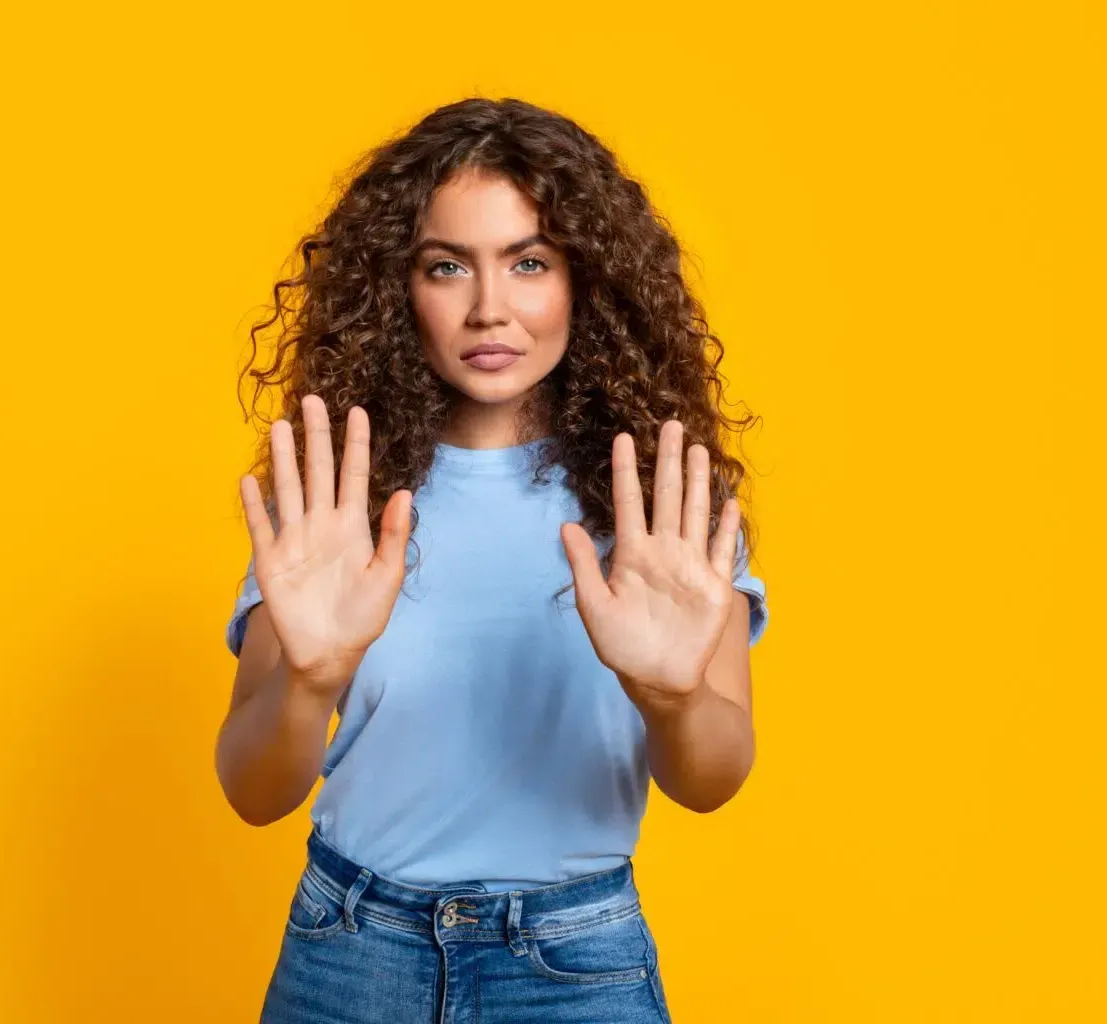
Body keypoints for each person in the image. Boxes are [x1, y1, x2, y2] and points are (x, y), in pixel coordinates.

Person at [215, 96, 769, 1024]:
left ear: (585, 282)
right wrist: (309, 681)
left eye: (529, 262)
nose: (489, 308)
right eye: (445, 267)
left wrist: (673, 699)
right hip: (349, 954)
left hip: (574, 964)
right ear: (399, 290)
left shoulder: (660, 499)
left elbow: (712, 779)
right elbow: (251, 791)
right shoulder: (333, 498)